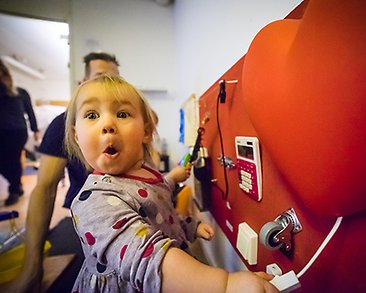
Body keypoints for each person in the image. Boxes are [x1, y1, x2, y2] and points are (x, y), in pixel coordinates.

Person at [64, 74, 278, 293]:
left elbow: (159, 210)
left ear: (146, 132)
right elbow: (146, 258)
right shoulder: (92, 203)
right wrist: (225, 286)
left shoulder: (147, 174)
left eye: (122, 114)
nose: (107, 124)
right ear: (76, 136)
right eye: (92, 115)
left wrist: (189, 225)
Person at [5, 52, 120, 293]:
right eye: (100, 77)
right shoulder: (63, 125)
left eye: (115, 78)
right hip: (85, 221)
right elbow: (45, 188)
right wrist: (32, 268)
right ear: (83, 83)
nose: (108, 85)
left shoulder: (130, 122)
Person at [0, 59, 39, 206]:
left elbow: (30, 112)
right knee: (5, 163)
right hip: (2, 132)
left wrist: (35, 130)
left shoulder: (20, 92)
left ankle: (14, 190)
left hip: (16, 132)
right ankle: (16, 186)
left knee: (14, 161)